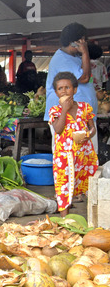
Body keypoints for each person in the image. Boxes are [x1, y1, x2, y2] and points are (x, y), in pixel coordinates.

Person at [48, 72, 98, 217]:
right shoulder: (55, 111)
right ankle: (66, 221)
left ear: (75, 90)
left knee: (87, 184)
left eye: (67, 87)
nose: (64, 91)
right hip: (64, 157)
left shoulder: (85, 107)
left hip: (84, 154)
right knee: (64, 186)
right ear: (56, 92)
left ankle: (92, 217)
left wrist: (89, 135)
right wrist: (64, 109)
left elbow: (92, 127)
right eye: (60, 88)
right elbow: (58, 129)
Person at [44, 22, 98, 153]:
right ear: (74, 42)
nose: (84, 42)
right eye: (83, 40)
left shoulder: (74, 57)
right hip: (69, 116)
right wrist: (85, 52)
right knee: (70, 154)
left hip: (81, 114)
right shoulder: (62, 60)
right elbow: (84, 78)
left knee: (87, 155)